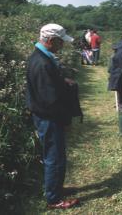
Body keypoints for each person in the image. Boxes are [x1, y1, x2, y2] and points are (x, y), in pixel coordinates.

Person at [26, 23, 80, 209]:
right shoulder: (41, 62)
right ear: (50, 40)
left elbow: (47, 87)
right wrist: (65, 118)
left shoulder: (42, 57)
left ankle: (56, 189)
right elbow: (49, 100)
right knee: (54, 157)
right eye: (60, 42)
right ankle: (54, 199)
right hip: (49, 118)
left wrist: (63, 81)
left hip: (48, 117)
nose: (62, 45)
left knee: (56, 156)